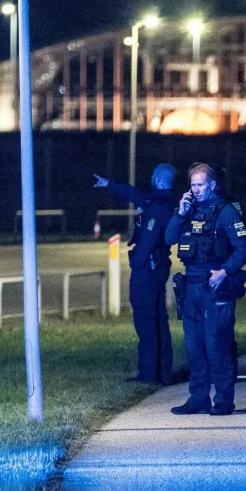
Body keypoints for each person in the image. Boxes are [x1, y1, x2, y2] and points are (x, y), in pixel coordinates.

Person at [164, 162, 246, 415]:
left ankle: (223, 400)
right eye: (193, 185)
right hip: (191, 289)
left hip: (215, 287)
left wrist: (224, 271)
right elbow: (169, 239)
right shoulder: (188, 210)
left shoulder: (225, 212)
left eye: (201, 184)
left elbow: (243, 249)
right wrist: (180, 213)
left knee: (216, 345)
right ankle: (198, 398)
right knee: (194, 346)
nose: (197, 189)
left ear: (212, 185)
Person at [94, 164, 177, 385]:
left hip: (148, 271)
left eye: (152, 175)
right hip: (157, 269)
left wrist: (138, 266)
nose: (149, 177)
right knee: (158, 320)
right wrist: (109, 184)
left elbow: (147, 243)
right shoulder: (162, 201)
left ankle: (149, 375)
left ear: (159, 179)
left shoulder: (157, 208)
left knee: (146, 320)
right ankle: (162, 372)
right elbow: (136, 195)